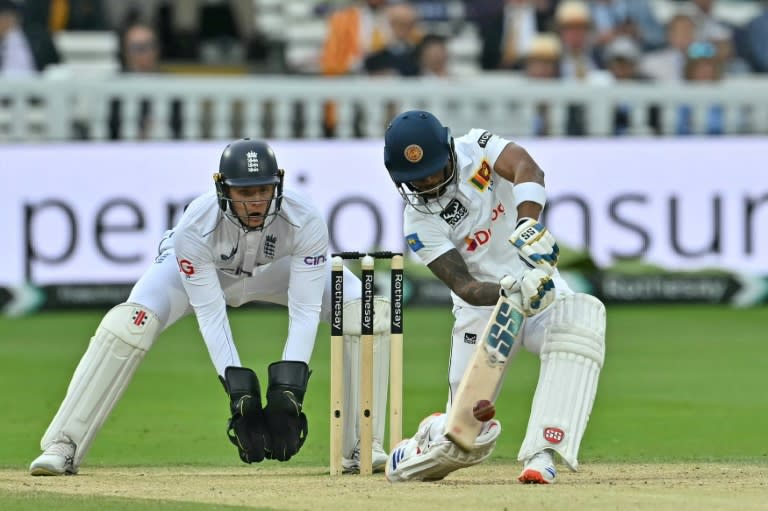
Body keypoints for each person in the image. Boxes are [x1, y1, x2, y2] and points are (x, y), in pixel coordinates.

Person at [29, 138, 391, 475]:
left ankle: (362, 445)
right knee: (128, 325)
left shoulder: (304, 217)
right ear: (223, 189)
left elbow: (305, 309)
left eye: (264, 190)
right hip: (203, 273)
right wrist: (239, 390)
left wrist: (288, 388)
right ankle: (64, 446)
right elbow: (211, 313)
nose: (255, 203)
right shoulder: (194, 228)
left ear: (277, 186)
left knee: (367, 311)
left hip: (272, 271)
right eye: (244, 192)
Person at [381, 111, 606, 484]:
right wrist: (511, 290)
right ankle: (426, 438)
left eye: (433, 171)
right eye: (415, 180)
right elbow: (465, 286)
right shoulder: (418, 222)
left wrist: (527, 225)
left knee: (580, 321)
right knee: (464, 439)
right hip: (484, 311)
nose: (428, 184)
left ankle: (542, 452)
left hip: (540, 287)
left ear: (449, 151)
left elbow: (527, 169)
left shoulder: (478, 148)